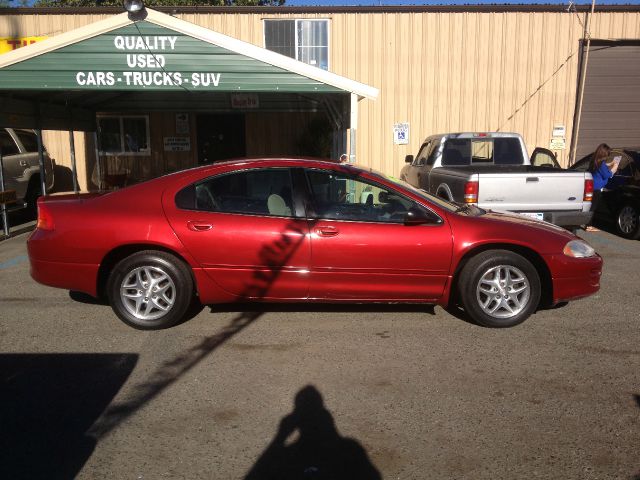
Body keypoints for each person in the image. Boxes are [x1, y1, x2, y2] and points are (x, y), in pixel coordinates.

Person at [586, 143, 619, 231]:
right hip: (596, 188)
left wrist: (610, 163)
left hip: (592, 186)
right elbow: (607, 174)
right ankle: (589, 226)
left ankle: (588, 224)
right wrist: (614, 168)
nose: (608, 156)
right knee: (593, 208)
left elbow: (603, 166)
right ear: (604, 153)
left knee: (590, 207)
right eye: (607, 154)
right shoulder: (601, 164)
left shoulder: (595, 160)